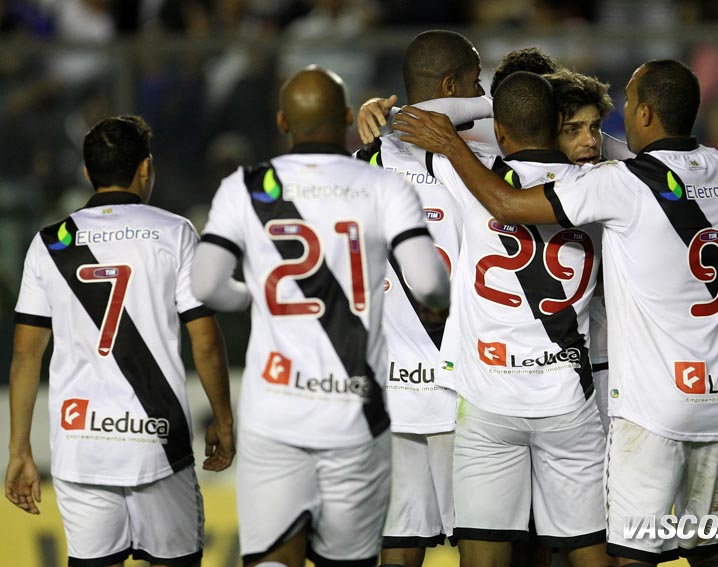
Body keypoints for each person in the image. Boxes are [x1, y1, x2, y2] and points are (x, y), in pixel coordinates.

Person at [393, 59, 718, 567]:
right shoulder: (715, 167)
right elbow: (699, 237)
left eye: (610, 117)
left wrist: (500, 116)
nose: (596, 136)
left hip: (632, 401)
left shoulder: (609, 186)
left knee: (621, 553)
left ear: (644, 112)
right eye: (575, 129)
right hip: (717, 391)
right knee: (705, 550)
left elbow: (506, 200)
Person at [190, 65, 450, 567]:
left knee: (273, 557)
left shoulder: (247, 186)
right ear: (348, 118)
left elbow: (205, 285)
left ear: (283, 121)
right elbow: (429, 283)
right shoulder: (383, 186)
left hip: (274, 410)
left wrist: (251, 296)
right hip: (355, 412)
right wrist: (438, 302)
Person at [5, 114, 235, 567]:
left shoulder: (50, 243)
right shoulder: (175, 232)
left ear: (87, 172)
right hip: (158, 442)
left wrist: (19, 449)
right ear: (145, 168)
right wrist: (224, 422)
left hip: (81, 443)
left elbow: (25, 355)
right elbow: (206, 342)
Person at [406, 70, 609, 567]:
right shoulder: (604, 184)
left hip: (489, 403)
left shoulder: (470, 169)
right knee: (590, 555)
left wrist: (487, 105)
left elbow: (415, 118)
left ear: (499, 129)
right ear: (559, 123)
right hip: (569, 401)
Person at [354, 30, 484, 567]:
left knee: (400, 544)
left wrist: (388, 115)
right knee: (491, 547)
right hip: (467, 393)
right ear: (452, 87)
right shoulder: (480, 168)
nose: (482, 94)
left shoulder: (360, 165)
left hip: (393, 394)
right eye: (476, 82)